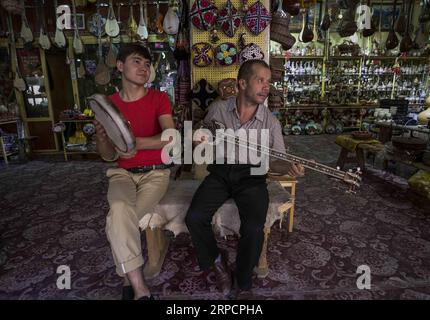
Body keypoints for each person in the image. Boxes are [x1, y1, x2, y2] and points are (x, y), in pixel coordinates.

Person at [185, 59, 305, 299]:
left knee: (253, 227)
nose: (266, 87)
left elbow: (277, 160)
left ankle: (243, 280)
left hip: (252, 177)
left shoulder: (271, 122)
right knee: (195, 217)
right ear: (242, 83)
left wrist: (289, 167)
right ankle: (217, 260)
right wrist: (199, 138)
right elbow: (205, 132)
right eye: (260, 80)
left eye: (268, 82)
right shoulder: (220, 108)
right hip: (220, 173)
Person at [94, 44, 175, 300]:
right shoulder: (109, 105)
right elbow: (108, 156)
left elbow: (171, 136)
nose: (144, 68)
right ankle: (140, 287)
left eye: (147, 64)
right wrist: (103, 138)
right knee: (119, 210)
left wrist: (133, 142)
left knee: (117, 220)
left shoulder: (159, 98)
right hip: (122, 174)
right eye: (137, 61)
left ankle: (129, 281)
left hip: (155, 173)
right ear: (120, 66)